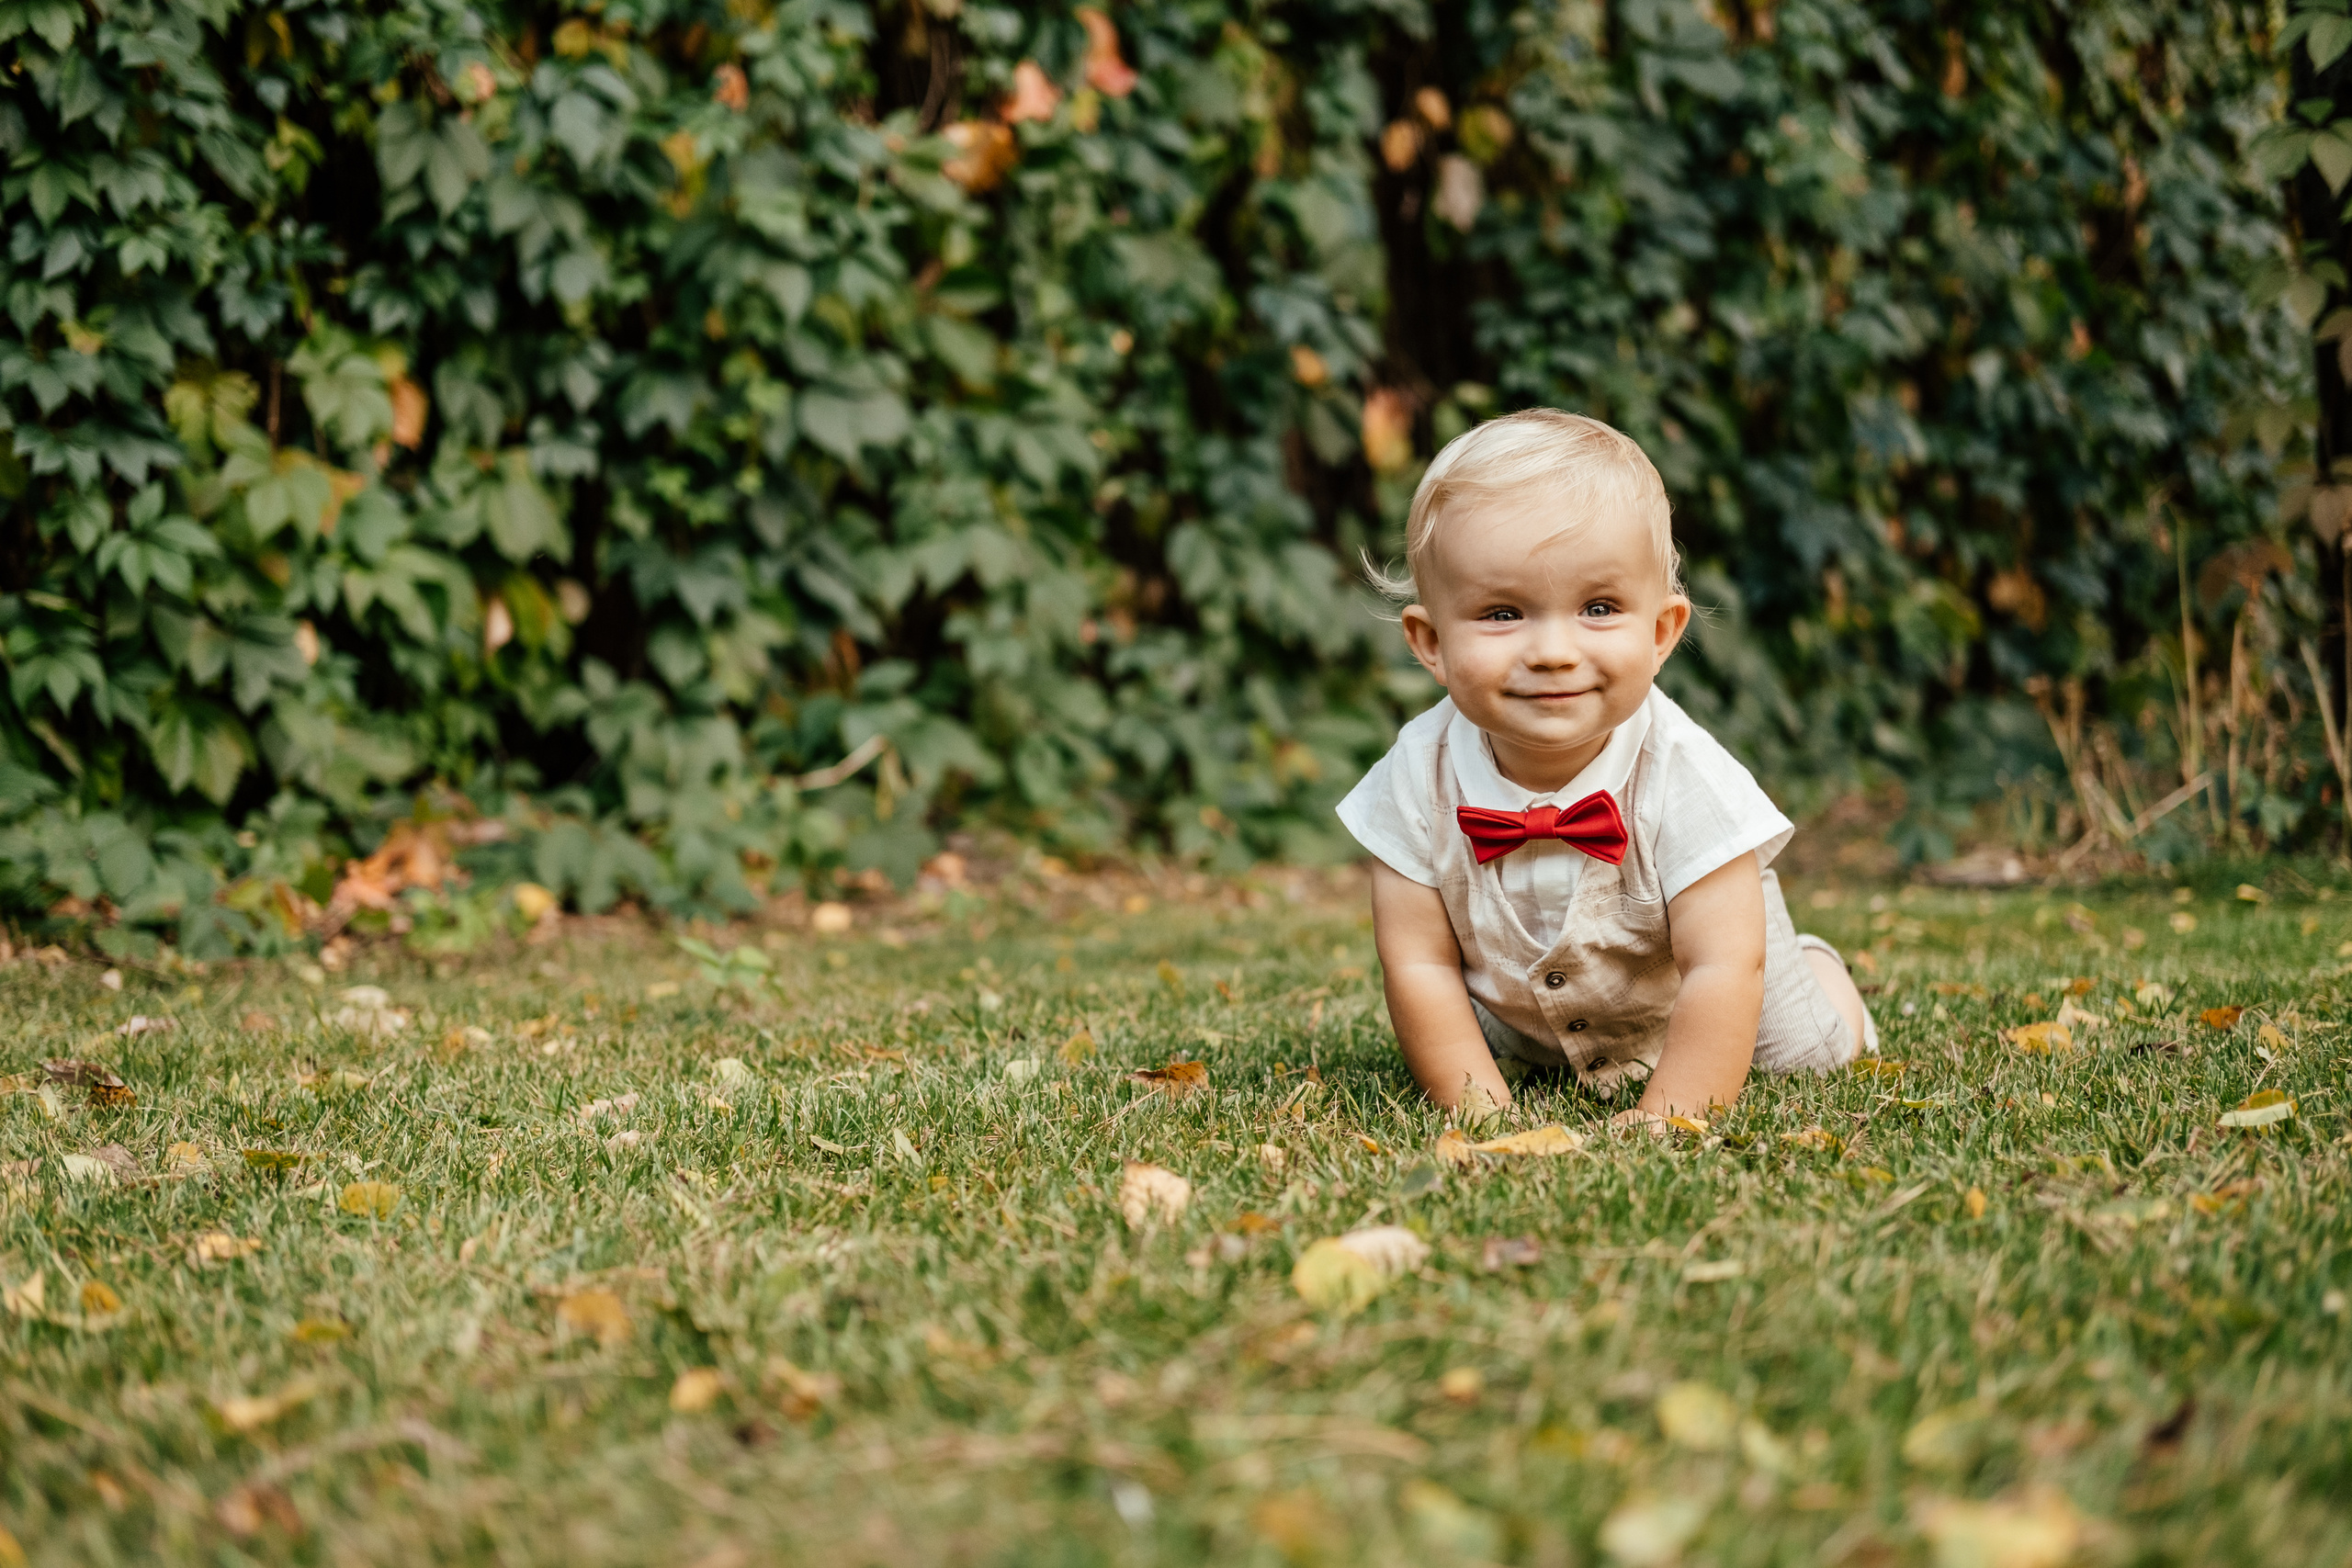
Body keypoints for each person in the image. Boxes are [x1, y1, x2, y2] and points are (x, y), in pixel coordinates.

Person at [1338, 409, 1874, 1129]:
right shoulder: (1416, 775)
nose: (1553, 652)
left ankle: (1823, 971)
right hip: (1524, 1005)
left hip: (1702, 980)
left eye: (1598, 607)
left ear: (1661, 633)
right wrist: (1480, 1109)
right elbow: (1419, 965)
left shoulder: (1681, 771)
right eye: (1502, 614)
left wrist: (1671, 1113)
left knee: (1805, 1053)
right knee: (1496, 1050)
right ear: (1431, 642)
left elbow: (1723, 965)